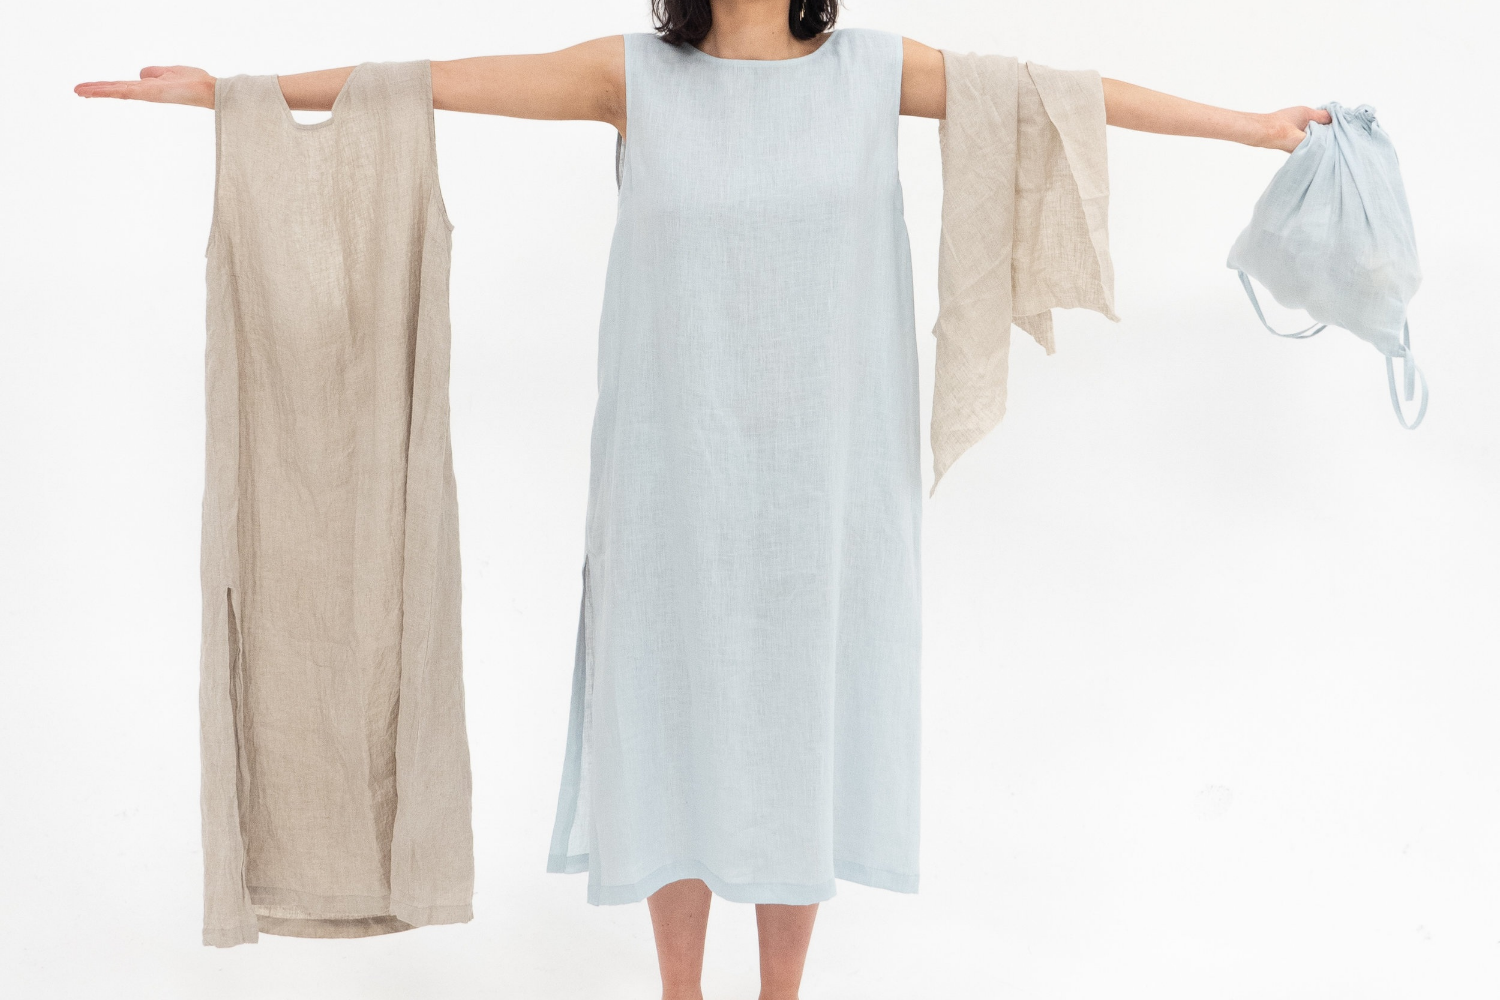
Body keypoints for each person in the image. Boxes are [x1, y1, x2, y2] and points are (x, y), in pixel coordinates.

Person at [75, 2, 1329, 997]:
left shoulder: (873, 72)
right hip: (672, 474)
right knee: (669, 724)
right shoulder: (632, 76)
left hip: (828, 483)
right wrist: (237, 93)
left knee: (801, 727)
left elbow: (1061, 97)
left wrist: (1248, 127)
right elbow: (429, 81)